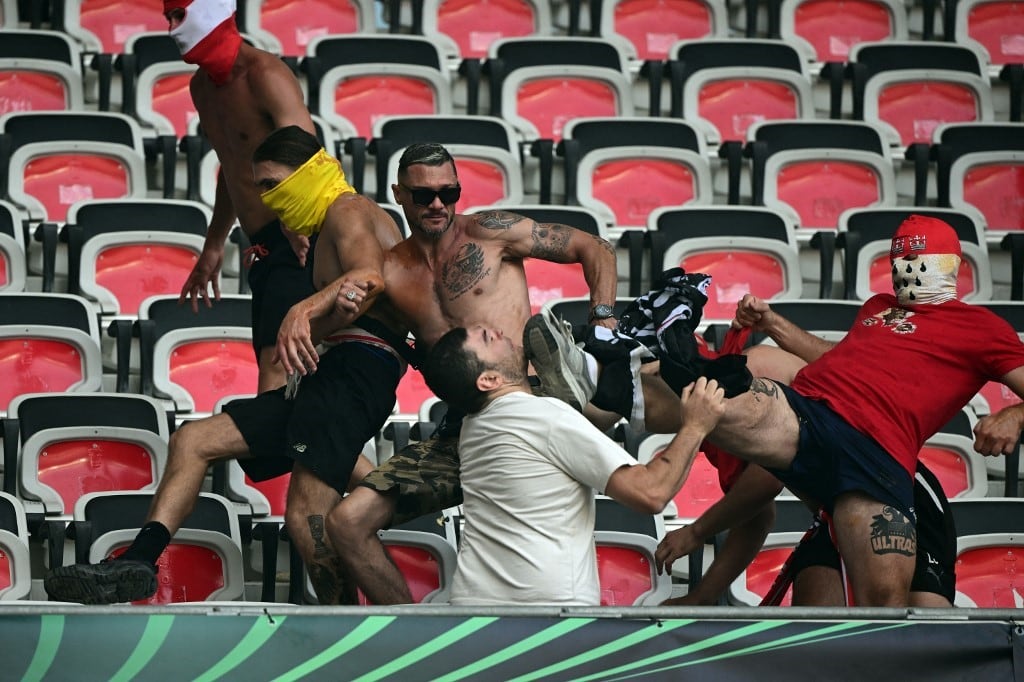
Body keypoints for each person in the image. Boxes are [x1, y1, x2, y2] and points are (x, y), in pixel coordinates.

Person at [533, 214, 1024, 606]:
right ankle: (604, 379)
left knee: (889, 619)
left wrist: (1014, 414)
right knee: (726, 394)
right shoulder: (878, 307)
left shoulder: (982, 328)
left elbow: (759, 501)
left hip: (880, 459)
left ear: (954, 266)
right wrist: (773, 322)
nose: (907, 273)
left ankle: (625, 373)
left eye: (919, 262)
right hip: (815, 418)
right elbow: (839, 360)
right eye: (900, 262)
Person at [44, 126, 406, 605]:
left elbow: (369, 278)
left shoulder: (349, 209)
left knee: (308, 519)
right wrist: (312, 323)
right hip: (330, 373)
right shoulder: (322, 228)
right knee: (193, 441)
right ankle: (139, 559)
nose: (266, 198)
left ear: (308, 172)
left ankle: (374, 624)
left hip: (356, 373)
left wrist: (299, 312)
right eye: (260, 187)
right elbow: (353, 303)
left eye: (273, 184)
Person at [324, 142, 620, 605]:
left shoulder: (490, 232)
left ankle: (601, 390)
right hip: (465, 425)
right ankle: (414, 635)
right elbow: (349, 331)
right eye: (423, 195)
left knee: (643, 384)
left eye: (449, 192)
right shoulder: (389, 272)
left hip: (532, 406)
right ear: (399, 195)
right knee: (347, 522)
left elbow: (594, 247)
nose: (438, 204)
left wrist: (603, 325)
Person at [419, 324, 726, 605]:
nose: (499, 331)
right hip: (546, 616)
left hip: (474, 610)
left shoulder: (474, 426)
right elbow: (651, 492)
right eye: (488, 338)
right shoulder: (541, 415)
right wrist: (695, 426)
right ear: (489, 380)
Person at [165, 0, 319, 392]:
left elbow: (307, 152)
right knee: (276, 367)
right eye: (168, 18)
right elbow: (233, 165)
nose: (171, 29)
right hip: (265, 245)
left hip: (300, 238)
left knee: (276, 365)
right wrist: (214, 244)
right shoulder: (202, 88)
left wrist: (292, 219)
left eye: (179, 15)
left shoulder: (265, 74)